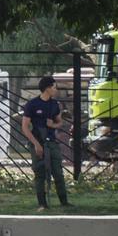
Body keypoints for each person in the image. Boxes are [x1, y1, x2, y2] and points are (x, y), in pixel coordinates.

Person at [22, 76, 71, 210]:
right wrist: (36, 144)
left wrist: (53, 125)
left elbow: (59, 122)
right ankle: (42, 203)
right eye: (54, 87)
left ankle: (64, 202)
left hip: (52, 143)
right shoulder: (32, 104)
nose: (56, 90)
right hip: (38, 142)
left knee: (58, 173)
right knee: (40, 174)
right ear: (47, 88)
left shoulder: (54, 104)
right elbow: (25, 127)